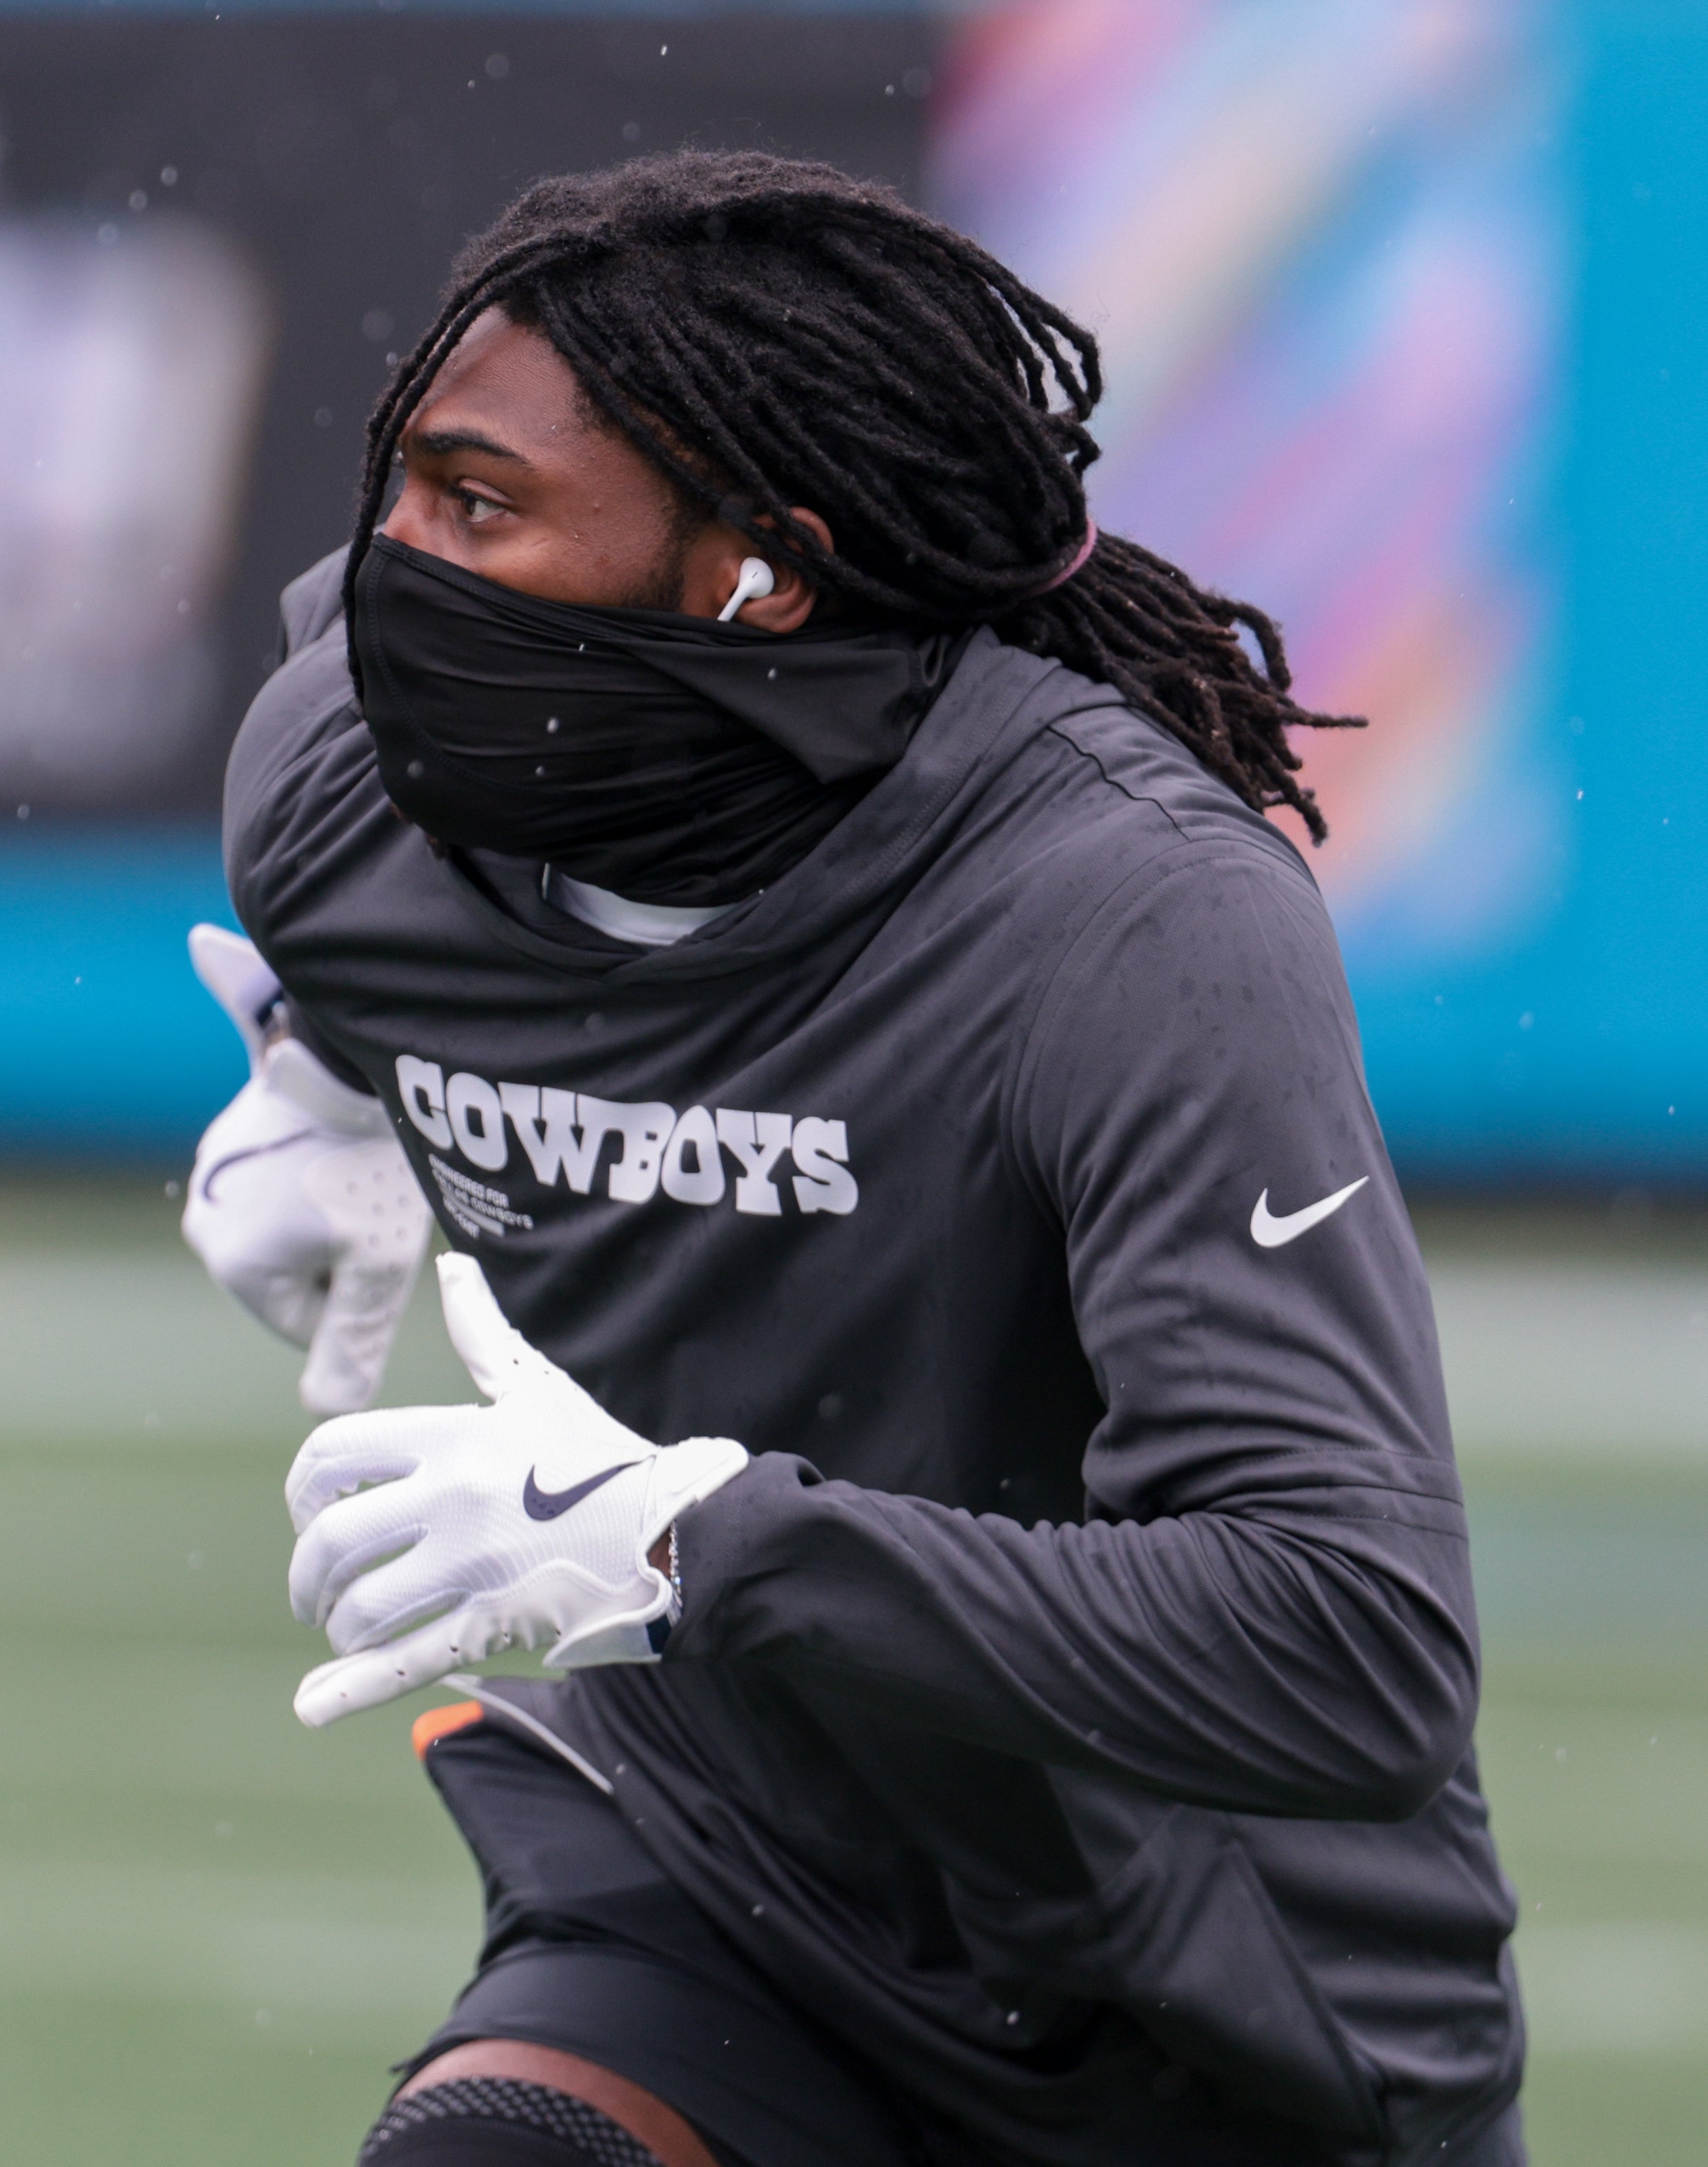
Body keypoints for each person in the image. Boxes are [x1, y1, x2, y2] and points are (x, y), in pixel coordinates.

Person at [178, 152, 1520, 2167]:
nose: (387, 573)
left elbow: (1352, 1637)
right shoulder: (337, 775)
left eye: (479, 505)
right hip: (719, 1883)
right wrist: (326, 1094)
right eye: (402, 487)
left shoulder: (1125, 912)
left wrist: (683, 1541)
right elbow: (366, 952)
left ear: (756, 575)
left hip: (1215, 2006)